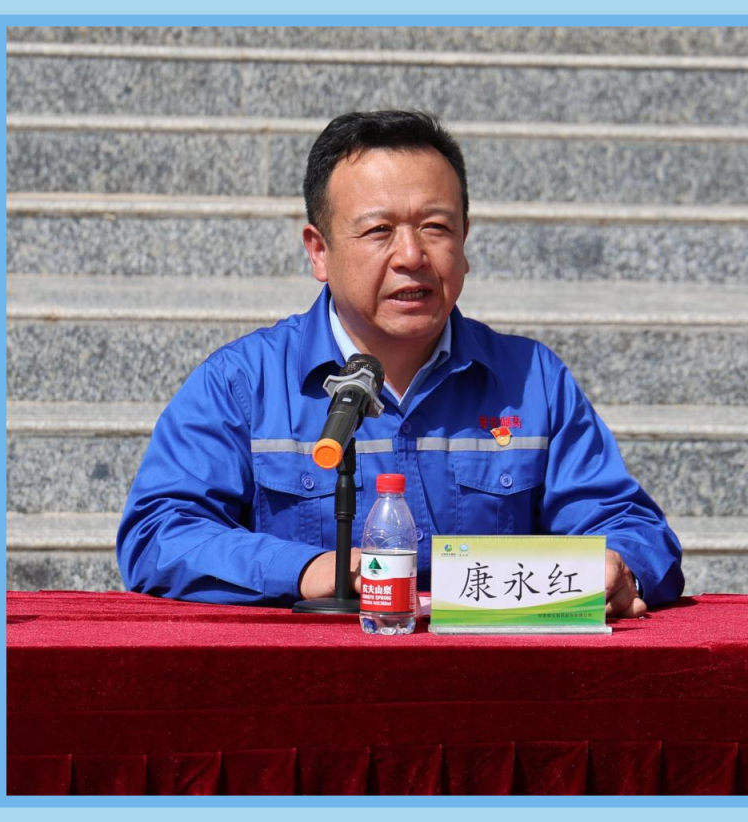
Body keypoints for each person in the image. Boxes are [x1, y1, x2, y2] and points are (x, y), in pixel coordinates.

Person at [117, 110, 684, 617]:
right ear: (319, 250)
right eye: (379, 231)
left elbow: (633, 527)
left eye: (435, 227)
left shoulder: (531, 381)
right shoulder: (244, 383)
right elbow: (159, 533)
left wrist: (619, 568)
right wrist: (311, 570)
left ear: (465, 240)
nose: (412, 256)